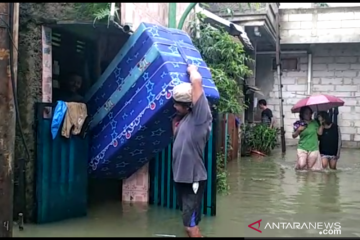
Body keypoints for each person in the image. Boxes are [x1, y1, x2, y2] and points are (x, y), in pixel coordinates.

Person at [171, 65, 212, 238]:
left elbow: (197, 82)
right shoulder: (184, 120)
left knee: (190, 226)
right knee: (188, 221)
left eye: (177, 104)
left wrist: (192, 69)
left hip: (193, 180)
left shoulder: (200, 118)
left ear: (188, 105)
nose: (174, 106)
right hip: (181, 179)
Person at [292, 106, 322, 170]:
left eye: (310, 113)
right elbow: (294, 136)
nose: (308, 115)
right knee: (302, 164)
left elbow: (320, 133)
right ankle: (298, 169)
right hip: (302, 147)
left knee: (309, 167)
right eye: (306, 113)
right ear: (302, 114)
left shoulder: (315, 123)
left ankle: (307, 179)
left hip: (313, 148)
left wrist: (321, 123)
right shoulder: (298, 123)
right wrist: (298, 130)